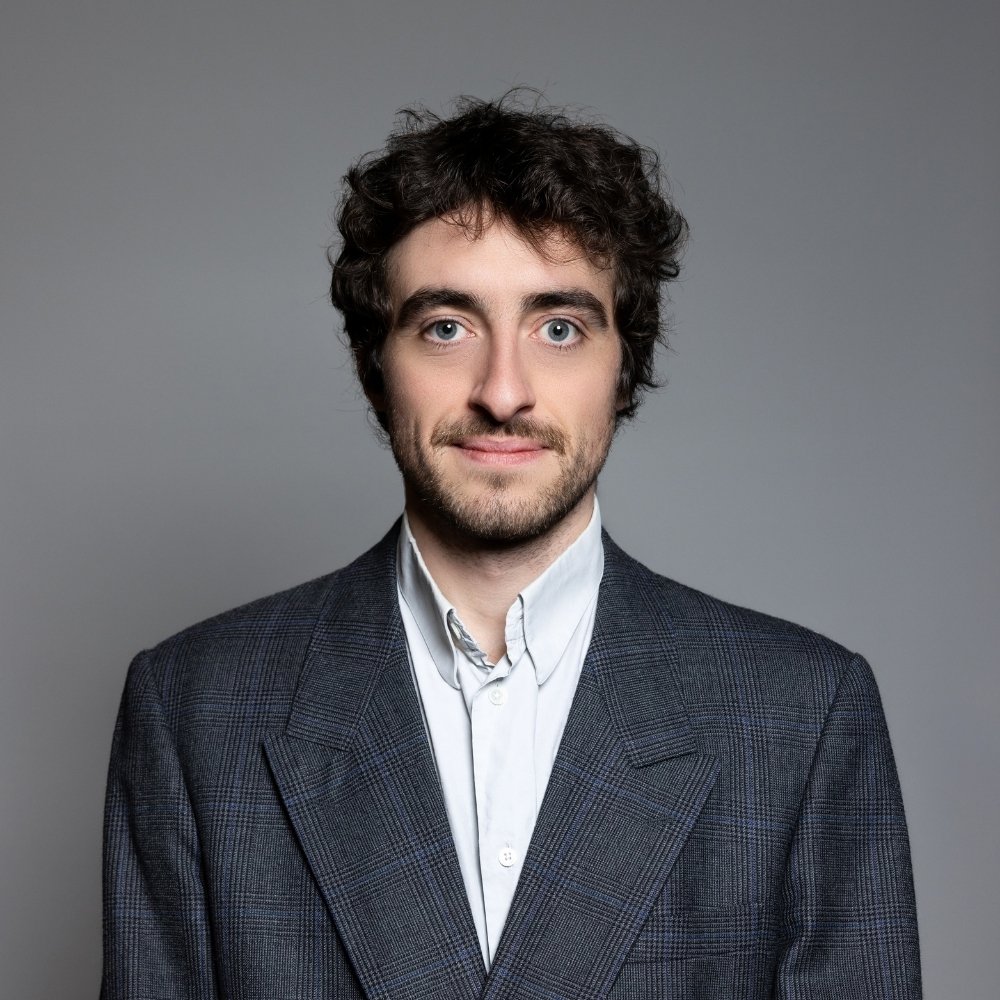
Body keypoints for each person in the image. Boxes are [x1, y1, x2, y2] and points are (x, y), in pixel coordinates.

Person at [101, 94, 921, 999]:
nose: (502, 392)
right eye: (447, 327)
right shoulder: (194, 711)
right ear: (376, 367)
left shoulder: (802, 715)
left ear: (623, 366)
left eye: (558, 328)